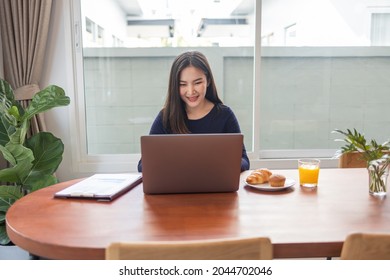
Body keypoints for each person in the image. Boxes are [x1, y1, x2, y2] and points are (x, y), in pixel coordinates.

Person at [137, 51, 250, 172]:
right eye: (183, 84)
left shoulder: (225, 115)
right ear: (175, 86)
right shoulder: (166, 117)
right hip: (175, 188)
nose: (191, 91)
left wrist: (221, 164)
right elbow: (143, 165)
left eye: (197, 83)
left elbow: (243, 160)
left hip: (214, 187)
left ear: (208, 81)